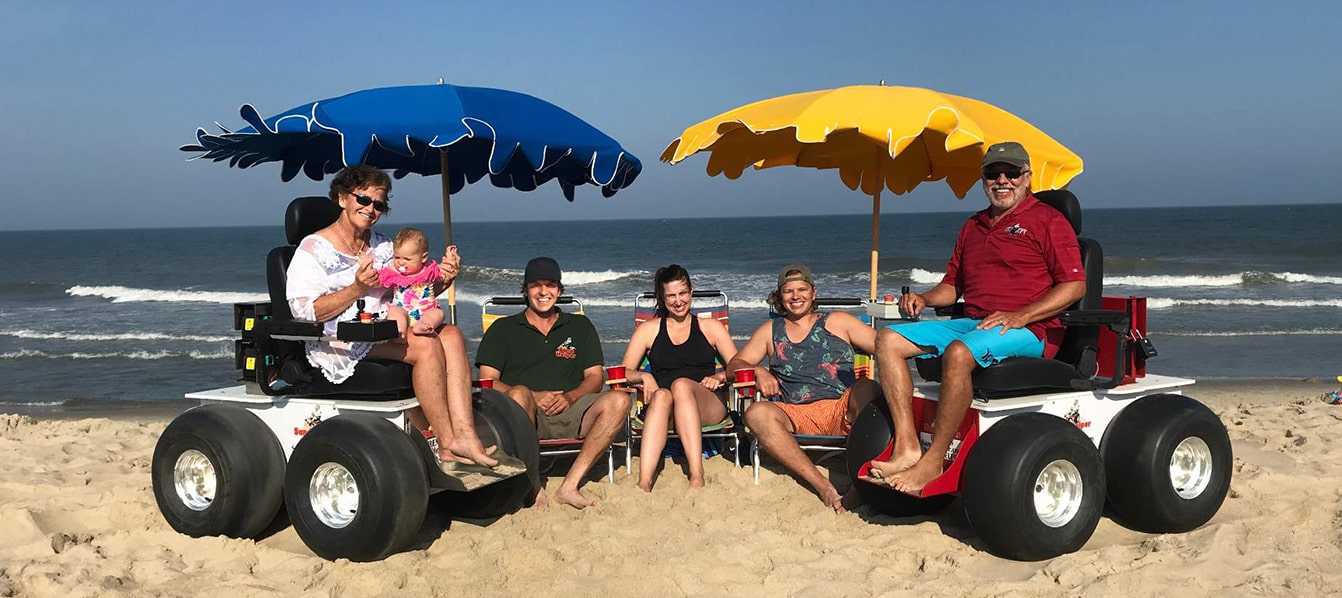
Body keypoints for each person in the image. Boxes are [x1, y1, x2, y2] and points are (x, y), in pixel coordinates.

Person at [867, 141, 1087, 495]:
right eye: (992, 173)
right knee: (887, 340)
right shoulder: (974, 226)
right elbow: (952, 287)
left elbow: (1074, 286)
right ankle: (908, 446)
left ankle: (934, 460)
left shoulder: (1048, 221)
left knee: (958, 352)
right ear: (983, 180)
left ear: (1027, 178)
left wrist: (1021, 315)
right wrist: (924, 298)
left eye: (1011, 173)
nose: (1002, 180)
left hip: (1033, 329)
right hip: (977, 323)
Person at [284, 165, 500, 471]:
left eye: (379, 204)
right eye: (363, 200)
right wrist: (357, 287)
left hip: (388, 326)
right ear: (343, 197)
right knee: (427, 347)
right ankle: (447, 440)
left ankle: (466, 435)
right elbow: (305, 312)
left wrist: (445, 278)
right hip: (342, 339)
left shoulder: (384, 246)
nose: (371, 209)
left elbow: (414, 291)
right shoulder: (313, 250)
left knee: (450, 334)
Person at [475, 257, 632, 510]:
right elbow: (487, 380)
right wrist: (534, 396)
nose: (543, 292)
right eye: (536, 285)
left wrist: (570, 397)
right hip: (524, 415)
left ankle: (569, 485)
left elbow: (595, 377)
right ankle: (534, 487)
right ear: (525, 290)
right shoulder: (503, 329)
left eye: (550, 285)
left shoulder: (579, 325)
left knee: (620, 400)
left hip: (574, 410)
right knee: (519, 393)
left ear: (559, 290)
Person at [725, 264, 881, 512]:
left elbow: (885, 346)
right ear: (780, 296)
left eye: (802, 289)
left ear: (813, 292)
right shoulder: (770, 331)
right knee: (756, 413)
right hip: (797, 414)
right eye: (788, 291)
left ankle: (857, 485)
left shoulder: (838, 321)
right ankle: (824, 487)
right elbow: (734, 365)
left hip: (842, 409)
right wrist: (759, 370)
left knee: (868, 388)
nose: (795, 296)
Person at [619, 265, 738, 492]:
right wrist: (644, 376)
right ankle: (644, 481)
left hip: (707, 402)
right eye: (671, 296)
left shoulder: (710, 327)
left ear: (691, 292)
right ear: (662, 299)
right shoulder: (649, 330)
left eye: (682, 293)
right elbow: (623, 371)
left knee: (681, 385)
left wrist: (721, 376)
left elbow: (738, 365)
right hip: (666, 409)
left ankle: (696, 474)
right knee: (664, 394)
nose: (678, 301)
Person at [378, 227, 446, 337]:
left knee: (438, 313)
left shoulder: (429, 270)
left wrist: (450, 261)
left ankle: (424, 326)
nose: (401, 262)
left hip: (426, 311)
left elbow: (443, 273)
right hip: (403, 310)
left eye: (407, 259)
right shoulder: (393, 272)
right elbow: (379, 279)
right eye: (397, 257)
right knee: (394, 311)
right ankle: (399, 331)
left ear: (423, 258)